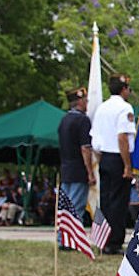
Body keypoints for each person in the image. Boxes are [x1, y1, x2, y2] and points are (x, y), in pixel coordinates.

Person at [91, 74, 137, 254]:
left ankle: (104, 238)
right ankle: (115, 241)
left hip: (104, 157)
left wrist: (100, 158)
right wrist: (127, 165)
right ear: (124, 89)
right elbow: (122, 137)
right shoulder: (125, 108)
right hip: (119, 157)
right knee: (119, 201)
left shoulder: (101, 108)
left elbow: (94, 139)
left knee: (106, 200)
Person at [57, 87, 94, 232]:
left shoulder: (64, 120)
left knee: (65, 209)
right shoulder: (83, 120)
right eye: (85, 100)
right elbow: (85, 148)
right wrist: (90, 172)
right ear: (80, 102)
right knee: (76, 208)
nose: (87, 103)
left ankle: (62, 237)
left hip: (66, 169)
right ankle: (72, 238)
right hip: (79, 170)